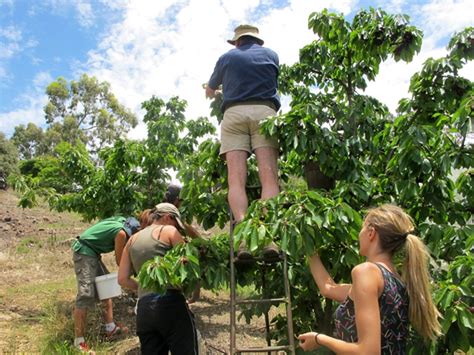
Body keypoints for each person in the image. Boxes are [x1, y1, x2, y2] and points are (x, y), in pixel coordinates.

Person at [298, 204, 441, 354]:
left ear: (371, 233)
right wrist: (309, 248)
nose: (359, 234)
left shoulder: (366, 272)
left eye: (362, 227)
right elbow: (328, 288)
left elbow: (368, 352)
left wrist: (319, 339)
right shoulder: (394, 279)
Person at [205, 24, 280, 259]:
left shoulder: (226, 58)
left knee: (236, 181)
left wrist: (216, 92)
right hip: (265, 113)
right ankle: (267, 235)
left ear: (237, 42)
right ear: (258, 41)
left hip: (234, 114)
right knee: (269, 179)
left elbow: (210, 90)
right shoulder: (272, 55)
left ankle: (245, 236)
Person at [118, 203, 199, 354]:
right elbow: (187, 265)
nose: (177, 227)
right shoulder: (169, 231)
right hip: (170, 303)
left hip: (144, 309)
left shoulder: (132, 239)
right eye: (176, 222)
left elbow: (122, 279)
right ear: (168, 217)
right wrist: (194, 292)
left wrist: (143, 287)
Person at [72, 216, 140, 352]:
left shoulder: (122, 221)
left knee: (106, 290)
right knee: (85, 295)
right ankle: (79, 342)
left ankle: (110, 327)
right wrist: (136, 272)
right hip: (85, 253)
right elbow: (120, 262)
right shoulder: (121, 233)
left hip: (93, 254)